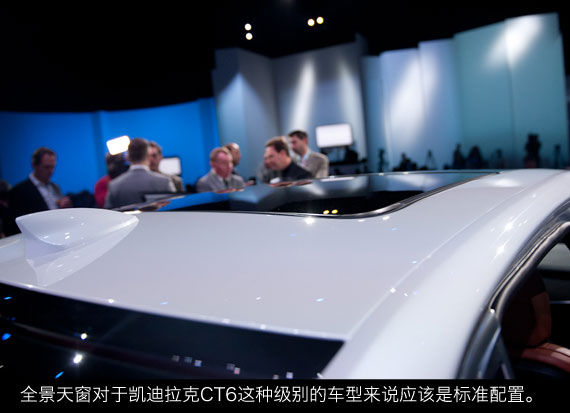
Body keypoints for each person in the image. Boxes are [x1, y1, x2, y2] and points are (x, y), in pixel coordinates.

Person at [6, 147, 72, 235]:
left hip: (58, 233)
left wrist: (65, 207)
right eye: (47, 167)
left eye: (53, 167)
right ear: (34, 165)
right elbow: (13, 227)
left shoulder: (55, 187)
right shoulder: (19, 191)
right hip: (37, 236)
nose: (51, 171)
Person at [105, 138, 175, 209]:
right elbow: (173, 210)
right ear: (148, 156)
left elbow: (109, 213)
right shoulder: (164, 182)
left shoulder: (114, 185)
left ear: (127, 157)